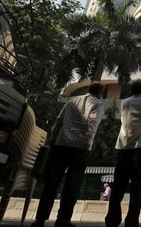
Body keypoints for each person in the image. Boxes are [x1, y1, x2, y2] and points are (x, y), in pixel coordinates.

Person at [31, 82, 106, 227]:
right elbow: (92, 124)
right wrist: (87, 143)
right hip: (80, 147)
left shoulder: (72, 100)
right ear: (100, 92)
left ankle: (40, 218)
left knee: (51, 183)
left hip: (61, 144)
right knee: (72, 184)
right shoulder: (97, 104)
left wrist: (53, 139)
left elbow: (58, 121)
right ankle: (63, 219)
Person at [105, 79, 141, 227]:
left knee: (119, 184)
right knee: (137, 185)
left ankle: (112, 219)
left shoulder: (125, 102)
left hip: (124, 145)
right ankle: (132, 221)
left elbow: (123, 119)